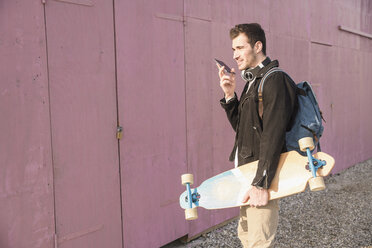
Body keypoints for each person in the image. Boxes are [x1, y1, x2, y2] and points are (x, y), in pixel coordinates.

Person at [217, 23, 298, 248]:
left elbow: (273, 135)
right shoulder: (254, 81)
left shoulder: (274, 80)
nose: (234, 55)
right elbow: (244, 131)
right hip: (246, 174)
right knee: (246, 238)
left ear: (258, 46)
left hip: (260, 176)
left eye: (240, 48)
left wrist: (261, 184)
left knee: (258, 243)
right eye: (233, 49)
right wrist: (230, 95)